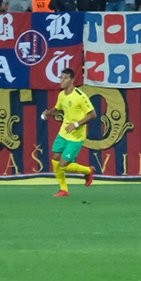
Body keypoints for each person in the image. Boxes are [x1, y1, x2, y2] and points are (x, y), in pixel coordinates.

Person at [49, 67, 96, 197]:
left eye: (65, 78)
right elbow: (57, 109)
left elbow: (92, 114)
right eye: (61, 78)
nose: (62, 81)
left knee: (63, 165)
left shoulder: (80, 97)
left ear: (72, 80)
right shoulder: (62, 95)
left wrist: (75, 125)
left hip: (76, 136)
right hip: (63, 133)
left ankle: (87, 171)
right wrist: (48, 112)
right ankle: (64, 190)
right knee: (55, 160)